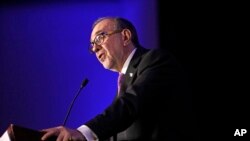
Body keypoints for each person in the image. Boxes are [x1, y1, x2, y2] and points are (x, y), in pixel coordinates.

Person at [41, 16, 199, 141]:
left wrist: (84, 133)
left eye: (99, 38)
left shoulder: (155, 60)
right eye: (92, 45)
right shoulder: (123, 85)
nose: (95, 48)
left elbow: (130, 105)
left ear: (125, 36)